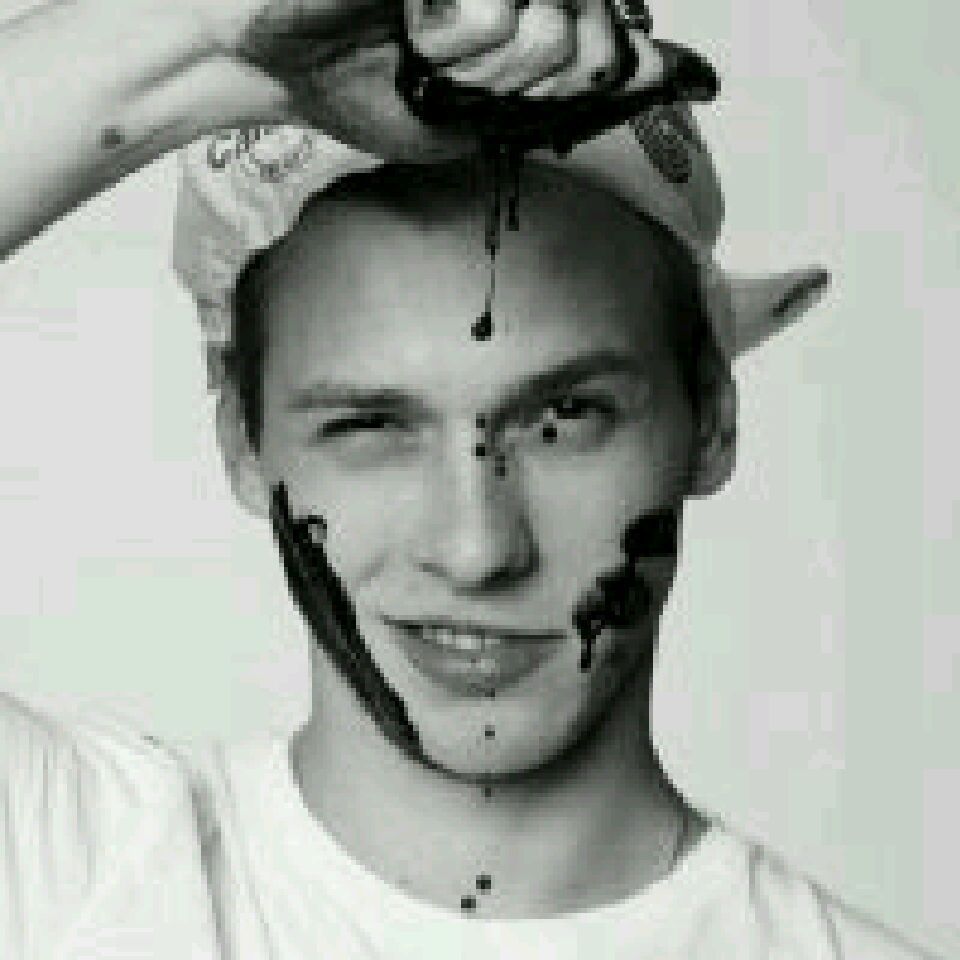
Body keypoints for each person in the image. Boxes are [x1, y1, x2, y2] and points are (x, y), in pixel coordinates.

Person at [0, 2, 945, 959]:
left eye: (566, 417)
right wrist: (220, 38)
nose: (477, 550)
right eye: (372, 426)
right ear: (245, 443)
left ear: (711, 418)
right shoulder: (76, 882)